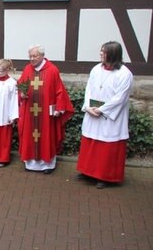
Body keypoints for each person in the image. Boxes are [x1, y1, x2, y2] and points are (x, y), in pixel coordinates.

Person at [76, 41, 134, 189]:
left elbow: (120, 97)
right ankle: (87, 172)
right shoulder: (96, 69)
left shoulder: (124, 74)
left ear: (113, 55)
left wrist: (102, 110)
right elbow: (89, 88)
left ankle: (105, 177)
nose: (101, 54)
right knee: (91, 142)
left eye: (104, 52)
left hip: (109, 116)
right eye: (101, 51)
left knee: (106, 147)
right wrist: (88, 107)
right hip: (92, 112)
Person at [17, 45, 74, 174]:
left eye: (35, 56)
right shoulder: (27, 69)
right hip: (30, 111)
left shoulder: (52, 70)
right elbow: (21, 85)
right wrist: (21, 93)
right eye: (30, 56)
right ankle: (31, 164)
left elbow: (59, 90)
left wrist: (59, 108)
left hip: (46, 113)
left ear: (42, 55)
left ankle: (47, 164)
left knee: (47, 136)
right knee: (30, 137)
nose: (32, 59)